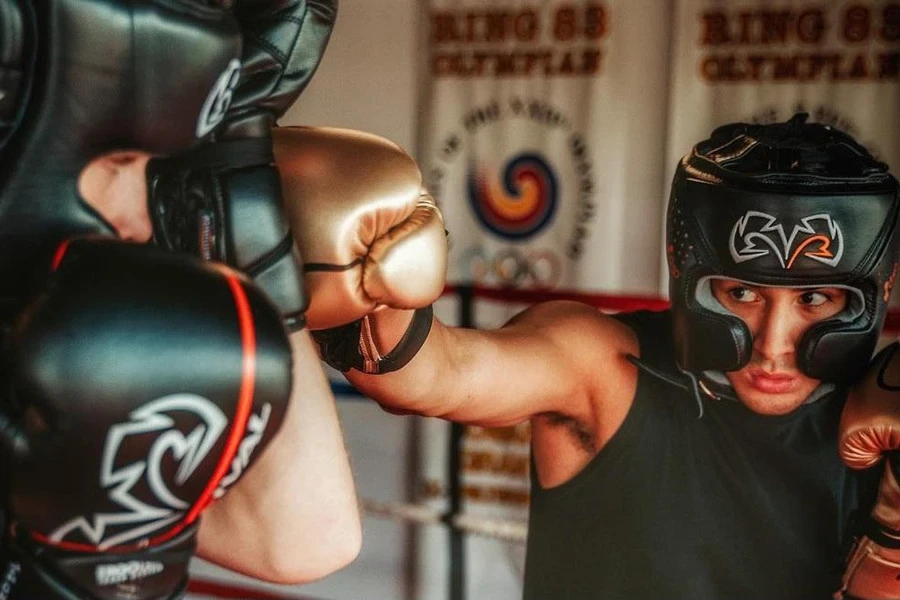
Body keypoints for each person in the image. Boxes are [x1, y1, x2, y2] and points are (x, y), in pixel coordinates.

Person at [274, 114, 900, 599]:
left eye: (816, 298)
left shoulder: (888, 412)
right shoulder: (603, 368)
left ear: (883, 291)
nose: (772, 343)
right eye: (741, 293)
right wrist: (368, 286)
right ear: (684, 269)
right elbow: (437, 374)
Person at [0, 1, 359, 598]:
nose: (143, 220)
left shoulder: (48, 367)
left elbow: (302, 534)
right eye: (119, 161)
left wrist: (234, 178)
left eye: (157, 167)